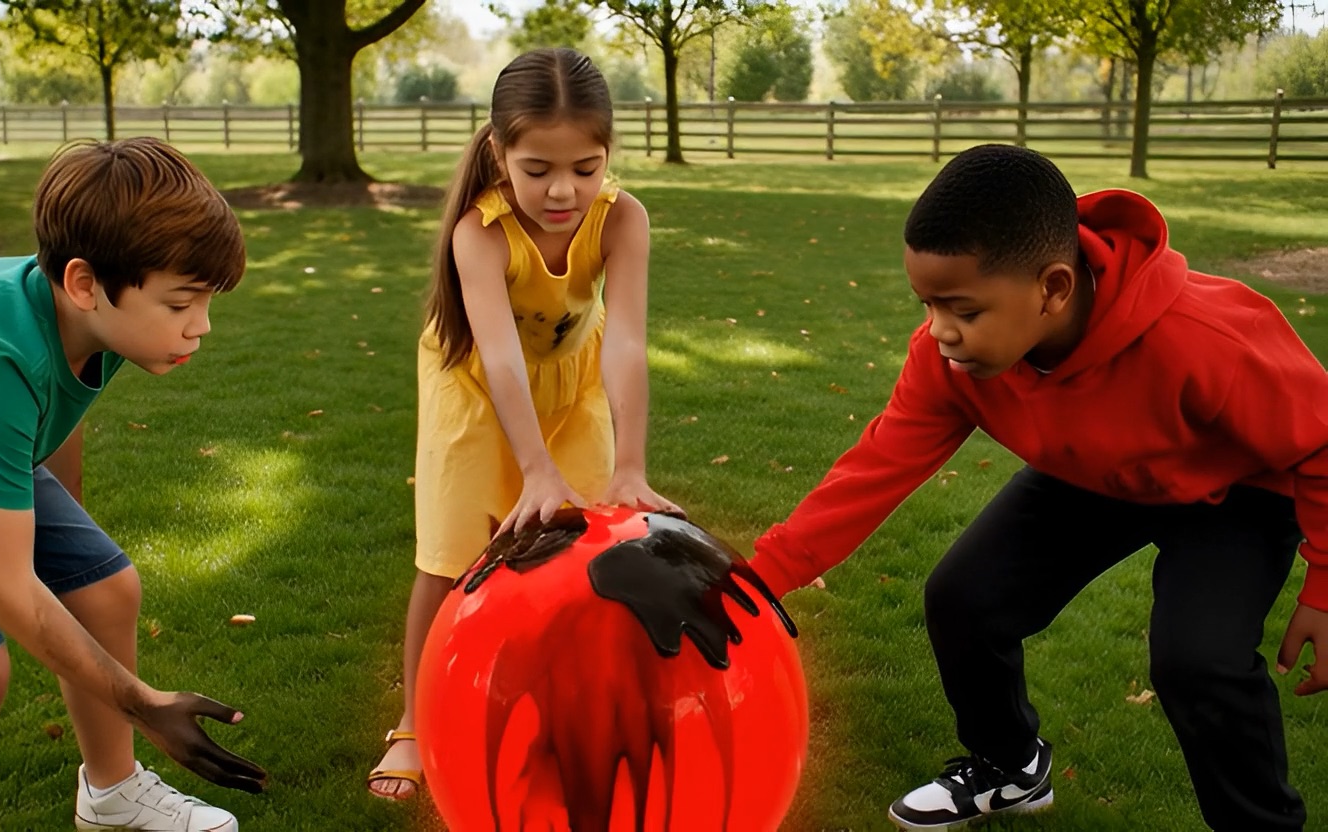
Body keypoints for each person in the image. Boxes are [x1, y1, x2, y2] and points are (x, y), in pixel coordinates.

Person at [749, 143, 1328, 832]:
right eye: (927, 304)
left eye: (961, 308)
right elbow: (877, 467)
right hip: (1093, 476)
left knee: (1196, 661)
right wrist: (758, 583)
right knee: (964, 599)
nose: (939, 331)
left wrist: (1324, 585)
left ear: (1053, 288)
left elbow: (1321, 441)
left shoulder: (1203, 337)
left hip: (1235, 492)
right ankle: (1009, 768)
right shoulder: (949, 360)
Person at [0, 137, 267, 832]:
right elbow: (4, 590)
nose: (201, 326)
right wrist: (143, 703)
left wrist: (71, 565)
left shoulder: (98, 322)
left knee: (107, 588)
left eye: (207, 301)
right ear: (86, 283)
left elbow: (56, 416)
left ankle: (112, 793)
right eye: (182, 302)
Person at [366, 47, 681, 800]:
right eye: (537, 168)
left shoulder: (623, 218)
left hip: (574, 388)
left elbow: (630, 342)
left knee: (578, 552)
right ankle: (413, 723)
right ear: (499, 151)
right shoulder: (479, 231)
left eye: (586, 166)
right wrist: (533, 466)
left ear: (609, 154)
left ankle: (556, 704)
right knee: (448, 560)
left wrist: (630, 464)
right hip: (475, 390)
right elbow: (502, 358)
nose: (563, 189)